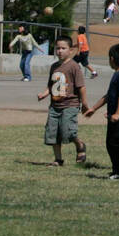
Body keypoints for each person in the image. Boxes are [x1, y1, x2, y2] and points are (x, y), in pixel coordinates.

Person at [36, 34, 88, 166]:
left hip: (70, 104)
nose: (59, 51)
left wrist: (85, 103)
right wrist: (44, 94)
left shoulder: (74, 66)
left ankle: (80, 145)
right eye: (57, 48)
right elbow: (51, 85)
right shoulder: (54, 67)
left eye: (63, 48)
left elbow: (81, 86)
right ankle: (58, 159)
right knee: (52, 133)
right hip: (55, 106)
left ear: (70, 50)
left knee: (68, 132)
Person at [83, 44, 119, 179]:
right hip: (114, 116)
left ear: (111, 59)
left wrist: (118, 113)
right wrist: (93, 108)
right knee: (111, 144)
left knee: (114, 143)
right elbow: (108, 96)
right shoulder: (117, 74)